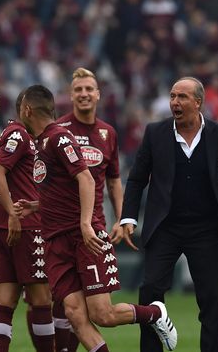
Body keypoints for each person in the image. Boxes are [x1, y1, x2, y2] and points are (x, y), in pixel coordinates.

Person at [19, 84, 177, 352]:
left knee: (102, 315)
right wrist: (36, 205)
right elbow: (61, 189)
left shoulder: (59, 137)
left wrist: (85, 224)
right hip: (55, 241)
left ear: (27, 109)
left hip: (83, 237)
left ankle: (154, 314)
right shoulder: (41, 141)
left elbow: (86, 179)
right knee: (74, 314)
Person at [122, 77, 218, 352]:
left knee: (212, 302)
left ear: (198, 102)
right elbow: (136, 179)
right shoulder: (155, 133)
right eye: (172, 96)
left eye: (182, 97)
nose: (175, 102)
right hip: (165, 228)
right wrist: (128, 218)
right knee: (149, 293)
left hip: (206, 230)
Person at [52, 67, 124, 352]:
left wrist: (122, 218)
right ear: (71, 96)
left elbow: (114, 180)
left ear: (98, 95)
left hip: (93, 231)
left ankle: (153, 315)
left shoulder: (108, 133)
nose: (83, 94)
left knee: (99, 313)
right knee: (70, 308)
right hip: (61, 231)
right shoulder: (58, 130)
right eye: (78, 90)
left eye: (88, 89)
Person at [0, 91, 54, 351]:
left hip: (6, 225)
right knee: (41, 298)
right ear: (27, 110)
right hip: (24, 226)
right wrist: (14, 214)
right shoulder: (19, 135)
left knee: (6, 300)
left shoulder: (10, 134)